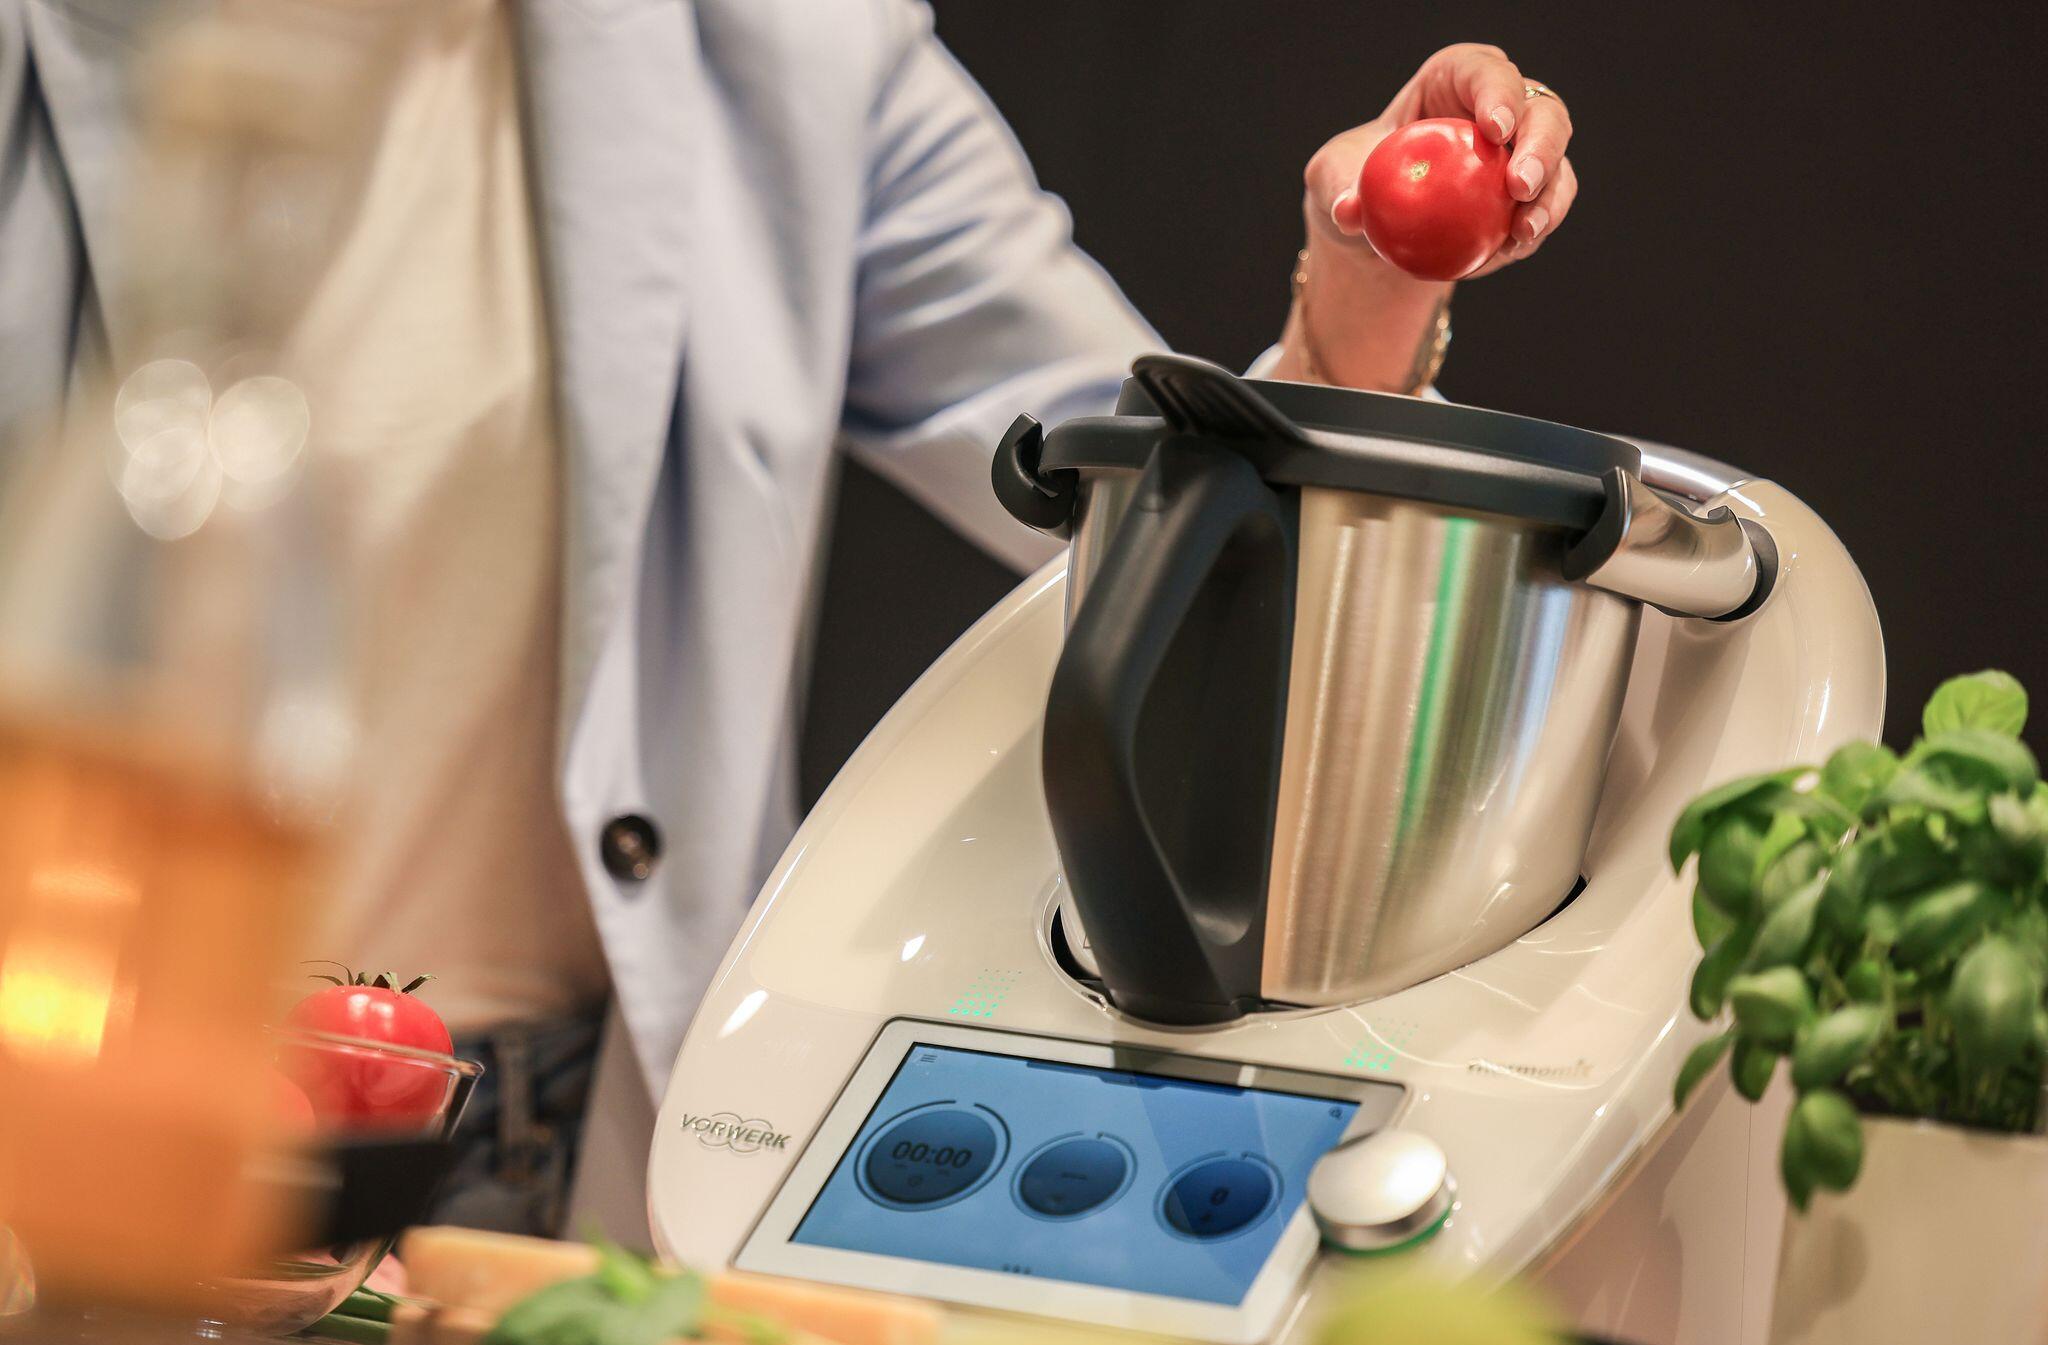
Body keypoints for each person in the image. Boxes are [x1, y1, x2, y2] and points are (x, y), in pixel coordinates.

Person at [0, 1, 1575, 1243]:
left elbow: (1169, 501)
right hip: (66, 1078)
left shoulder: (787, 46)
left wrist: (1356, 298)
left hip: (515, 1150)